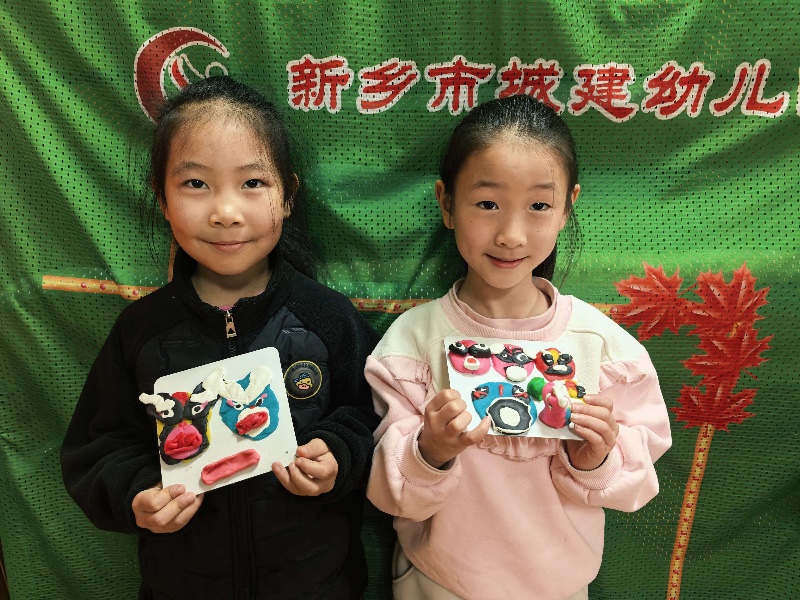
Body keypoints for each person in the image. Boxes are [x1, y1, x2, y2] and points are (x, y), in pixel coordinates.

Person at [61, 75, 379, 599]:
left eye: (252, 183)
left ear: (288, 195)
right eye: (195, 183)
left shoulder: (328, 319)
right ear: (162, 198)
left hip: (316, 585)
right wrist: (138, 494)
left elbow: (376, 418)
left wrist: (339, 454)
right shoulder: (140, 332)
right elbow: (98, 450)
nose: (225, 212)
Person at [365, 94, 672, 600]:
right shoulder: (411, 345)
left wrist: (596, 457)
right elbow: (389, 491)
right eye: (487, 204)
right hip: (437, 581)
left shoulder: (605, 350)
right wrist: (430, 451)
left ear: (567, 207)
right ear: (447, 203)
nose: (510, 235)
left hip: (559, 585)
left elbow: (637, 481)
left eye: (539, 206)